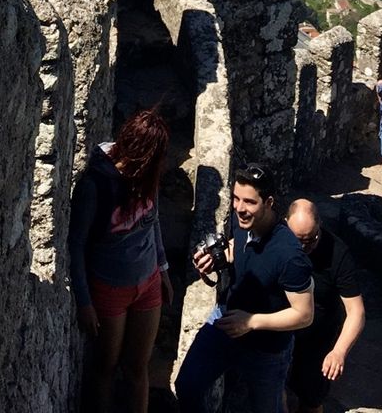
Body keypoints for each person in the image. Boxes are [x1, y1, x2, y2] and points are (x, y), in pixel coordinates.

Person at [174, 164, 314, 413]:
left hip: (266, 348)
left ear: (269, 202)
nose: (239, 207)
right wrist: (217, 258)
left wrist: (251, 322)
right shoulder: (244, 224)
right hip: (227, 320)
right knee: (187, 385)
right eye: (236, 198)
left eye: (249, 201)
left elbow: (304, 314)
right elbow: (238, 247)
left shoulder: (289, 255)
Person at [68, 108, 172, 413]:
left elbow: (153, 222)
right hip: (109, 289)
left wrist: (163, 268)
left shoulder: (147, 176)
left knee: (137, 367)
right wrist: (84, 302)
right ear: (142, 156)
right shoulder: (95, 185)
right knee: (105, 367)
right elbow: (76, 245)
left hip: (148, 281)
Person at [284, 199, 365, 413]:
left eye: (310, 240)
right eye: (297, 241)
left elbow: (356, 311)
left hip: (318, 338)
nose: (303, 248)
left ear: (320, 224)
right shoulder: (278, 239)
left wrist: (338, 352)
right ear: (285, 225)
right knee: (274, 390)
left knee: (311, 398)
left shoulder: (338, 253)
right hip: (281, 330)